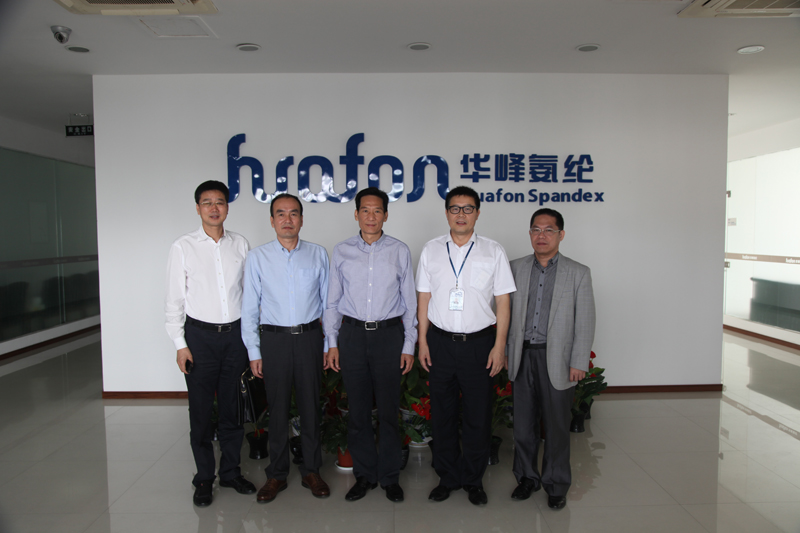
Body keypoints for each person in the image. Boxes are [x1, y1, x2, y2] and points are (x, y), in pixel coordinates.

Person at [416, 185, 516, 506]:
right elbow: (423, 298)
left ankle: (473, 480)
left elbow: (503, 302)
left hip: (479, 345)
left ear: (477, 213)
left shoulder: (493, 251)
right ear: (446, 213)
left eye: (468, 208)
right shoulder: (431, 250)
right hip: (440, 343)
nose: (461, 214)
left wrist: (499, 346)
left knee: (478, 415)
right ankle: (447, 477)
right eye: (455, 208)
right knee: (442, 415)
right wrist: (422, 341)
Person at [165, 180, 256, 507]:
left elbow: (250, 294)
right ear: (198, 208)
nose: (214, 208)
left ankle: (230, 472)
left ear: (227, 207)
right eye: (207, 203)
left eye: (219, 202)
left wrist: (251, 340)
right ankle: (204, 477)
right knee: (201, 411)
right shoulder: (183, 246)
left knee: (233, 409)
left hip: (235, 337)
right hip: (199, 339)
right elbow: (174, 300)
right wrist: (180, 343)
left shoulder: (240, 244)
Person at [324, 187, 418, 504]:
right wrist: (332, 342)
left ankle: (389, 476)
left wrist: (409, 344)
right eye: (365, 210)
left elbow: (410, 303)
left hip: (389, 336)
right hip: (352, 335)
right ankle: (364, 475)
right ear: (356, 214)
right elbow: (332, 301)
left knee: (389, 410)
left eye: (377, 210)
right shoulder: (341, 251)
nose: (371, 216)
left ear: (386, 215)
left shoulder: (399, 251)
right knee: (358, 410)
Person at [241, 193, 331, 503]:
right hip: (274, 340)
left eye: (293, 213)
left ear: (302, 219)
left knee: (310, 407)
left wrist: (329, 344)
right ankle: (277, 474)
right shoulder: (257, 257)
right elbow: (249, 309)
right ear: (272, 220)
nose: (287, 219)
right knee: (277, 410)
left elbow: (328, 305)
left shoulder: (318, 254)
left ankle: (311, 470)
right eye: (281, 213)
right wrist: (254, 351)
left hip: (309, 338)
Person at [506, 208, 596, 510]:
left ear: (561, 234)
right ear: (530, 233)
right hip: (521, 356)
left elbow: (585, 320)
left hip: (557, 359)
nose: (541, 235)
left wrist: (579, 361)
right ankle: (526, 478)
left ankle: (556, 484)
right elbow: (503, 315)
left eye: (548, 230)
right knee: (523, 426)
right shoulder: (514, 268)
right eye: (536, 229)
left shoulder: (578, 272)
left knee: (556, 428)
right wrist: (504, 352)